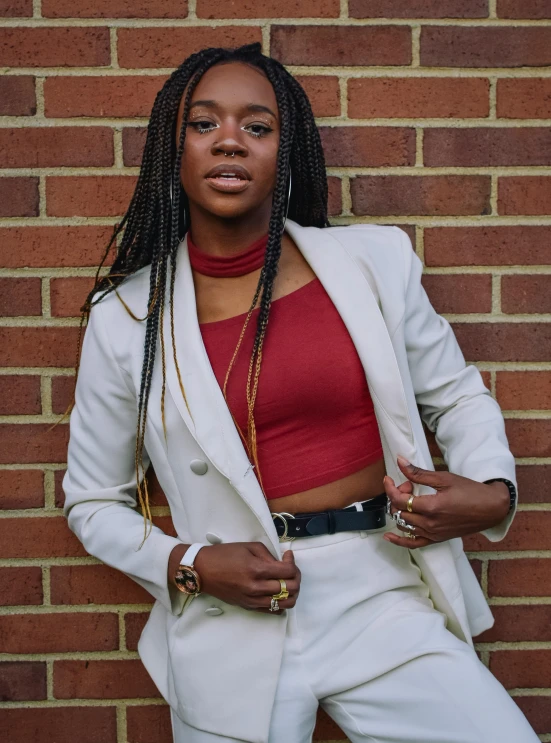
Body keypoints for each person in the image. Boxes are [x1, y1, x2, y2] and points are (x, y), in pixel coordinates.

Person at [62, 42, 538, 743]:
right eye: (204, 124)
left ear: (286, 152)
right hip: (233, 619)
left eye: (257, 126)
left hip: (380, 590)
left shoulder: (372, 263)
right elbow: (91, 500)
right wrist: (190, 564)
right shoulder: (127, 317)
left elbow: (457, 395)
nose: (230, 139)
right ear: (174, 147)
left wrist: (493, 488)